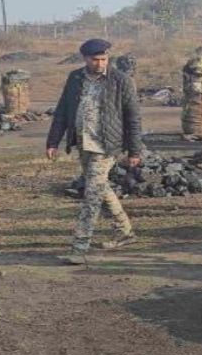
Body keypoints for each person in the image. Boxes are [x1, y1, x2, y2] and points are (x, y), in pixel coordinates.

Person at [46, 38, 142, 265]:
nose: (100, 64)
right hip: (83, 143)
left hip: (107, 146)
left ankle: (79, 247)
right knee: (100, 187)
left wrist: (134, 151)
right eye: (95, 60)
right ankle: (125, 232)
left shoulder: (121, 80)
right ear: (85, 59)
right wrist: (53, 142)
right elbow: (62, 111)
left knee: (92, 195)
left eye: (104, 59)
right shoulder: (75, 78)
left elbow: (133, 118)